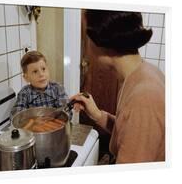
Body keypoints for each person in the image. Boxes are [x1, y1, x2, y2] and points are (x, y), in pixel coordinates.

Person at [71, 10, 165, 164]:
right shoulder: (141, 73)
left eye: (87, 38)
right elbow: (128, 131)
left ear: (101, 41)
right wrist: (96, 114)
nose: (86, 48)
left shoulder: (144, 96)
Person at [10, 50, 70, 118]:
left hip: (57, 127)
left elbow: (67, 113)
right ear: (26, 78)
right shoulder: (24, 93)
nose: (41, 74)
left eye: (43, 69)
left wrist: (55, 118)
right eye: (35, 71)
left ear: (48, 69)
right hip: (33, 128)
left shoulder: (58, 89)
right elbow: (15, 116)